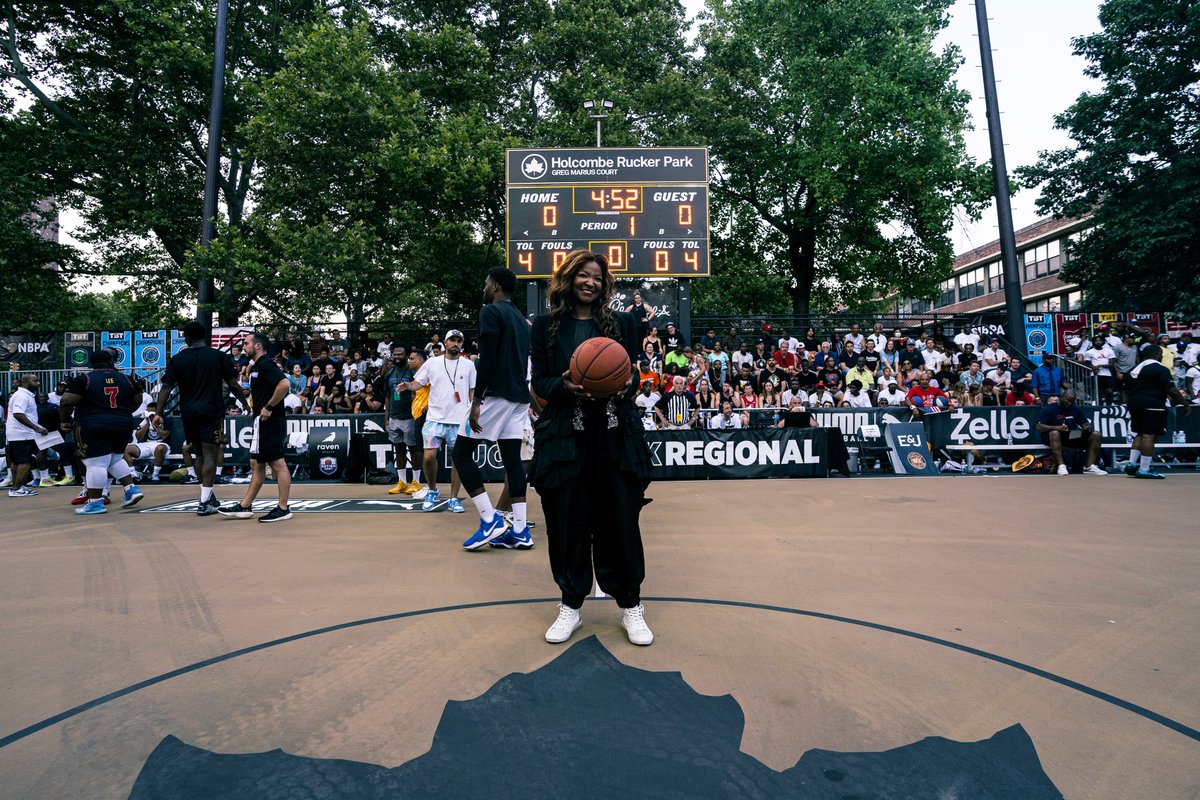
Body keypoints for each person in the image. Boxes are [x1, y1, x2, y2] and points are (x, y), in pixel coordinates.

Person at [529, 249, 653, 647]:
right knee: (568, 522)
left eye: (598, 277)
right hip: (566, 436)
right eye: (583, 275)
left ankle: (631, 605)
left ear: (605, 284)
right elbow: (541, 383)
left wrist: (620, 385)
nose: (590, 282)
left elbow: (632, 379)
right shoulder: (545, 326)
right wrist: (563, 386)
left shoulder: (623, 323)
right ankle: (571, 603)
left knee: (620, 520)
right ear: (568, 278)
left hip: (615, 435)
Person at [454, 268, 534, 551]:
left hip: (497, 394)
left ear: (497, 286)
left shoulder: (490, 311)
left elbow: (487, 359)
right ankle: (521, 529)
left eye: (487, 284)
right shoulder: (522, 320)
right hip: (519, 396)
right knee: (512, 459)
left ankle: (491, 520)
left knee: (460, 453)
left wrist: (477, 402)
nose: (484, 288)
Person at [157, 321, 247, 516]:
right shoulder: (218, 356)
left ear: (187, 338)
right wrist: (245, 403)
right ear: (204, 336)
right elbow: (232, 383)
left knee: (198, 454)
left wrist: (158, 412)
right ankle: (205, 501)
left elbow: (166, 388)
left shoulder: (178, 359)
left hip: (188, 412)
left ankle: (207, 496)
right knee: (210, 455)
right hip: (211, 411)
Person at [217, 333, 293, 522]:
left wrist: (268, 407)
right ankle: (245, 506)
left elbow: (284, 384)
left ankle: (283, 508)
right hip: (261, 421)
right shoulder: (257, 366)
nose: (243, 346)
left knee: (278, 464)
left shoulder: (266, 364)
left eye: (246, 343)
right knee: (256, 464)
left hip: (271, 421)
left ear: (258, 346)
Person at [59, 351, 145, 514]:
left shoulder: (85, 378)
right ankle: (131, 489)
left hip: (93, 423)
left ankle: (95, 503)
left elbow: (65, 401)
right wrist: (123, 411)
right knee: (114, 458)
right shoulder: (126, 378)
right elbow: (138, 399)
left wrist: (64, 420)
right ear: (111, 361)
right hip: (122, 422)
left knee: (95, 464)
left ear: (93, 362)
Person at [400, 329, 476, 512]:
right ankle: (432, 490)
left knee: (457, 460)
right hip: (435, 418)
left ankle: (453, 498)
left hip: (459, 420)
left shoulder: (468, 365)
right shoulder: (432, 363)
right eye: (452, 340)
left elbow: (472, 391)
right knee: (429, 457)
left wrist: (472, 411)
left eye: (458, 341)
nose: (455, 343)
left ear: (462, 344)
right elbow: (418, 383)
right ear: (445, 342)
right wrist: (408, 386)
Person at [1124, 344, 1192, 479]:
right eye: (1160, 354)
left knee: (1140, 433)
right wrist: (1185, 404)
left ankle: (1131, 464)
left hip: (1134, 404)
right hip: (1153, 405)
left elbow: (1125, 390)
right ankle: (1144, 469)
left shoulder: (1133, 370)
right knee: (1149, 435)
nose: (1162, 356)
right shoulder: (1160, 369)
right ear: (1156, 354)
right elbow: (1171, 390)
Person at [1036, 390, 1106, 476]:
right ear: (1061, 397)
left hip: (1071, 435)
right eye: (1067, 401)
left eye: (1072, 402)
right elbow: (1039, 427)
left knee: (1096, 434)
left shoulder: (1076, 409)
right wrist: (1057, 428)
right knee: (1055, 433)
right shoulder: (1049, 409)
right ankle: (1061, 466)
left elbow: (1085, 423)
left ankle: (1089, 466)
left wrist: (1087, 427)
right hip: (1053, 436)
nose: (1069, 403)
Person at [384, 343, 423, 495]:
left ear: (407, 356)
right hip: (394, 416)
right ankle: (402, 483)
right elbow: (387, 396)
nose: (397, 357)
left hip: (410, 417)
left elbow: (419, 393)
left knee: (413, 450)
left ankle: (416, 482)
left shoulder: (414, 372)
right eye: (395, 354)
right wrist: (387, 418)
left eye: (400, 354)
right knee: (398, 449)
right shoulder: (389, 373)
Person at [5, 373, 44, 497]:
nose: (38, 383)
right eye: (35, 381)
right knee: (25, 461)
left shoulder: (22, 395)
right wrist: (36, 428)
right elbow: (18, 413)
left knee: (17, 461)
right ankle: (16, 489)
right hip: (22, 434)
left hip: (18, 433)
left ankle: (17, 487)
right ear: (26, 382)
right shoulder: (22, 396)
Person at [125, 405, 171, 482]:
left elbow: (164, 436)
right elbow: (138, 437)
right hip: (146, 444)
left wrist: (155, 425)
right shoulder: (145, 421)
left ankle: (155, 475)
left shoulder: (165, 420)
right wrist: (147, 424)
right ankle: (133, 472)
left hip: (161, 444)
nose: (150, 414)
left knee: (160, 449)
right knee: (125, 449)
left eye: (152, 412)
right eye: (148, 411)